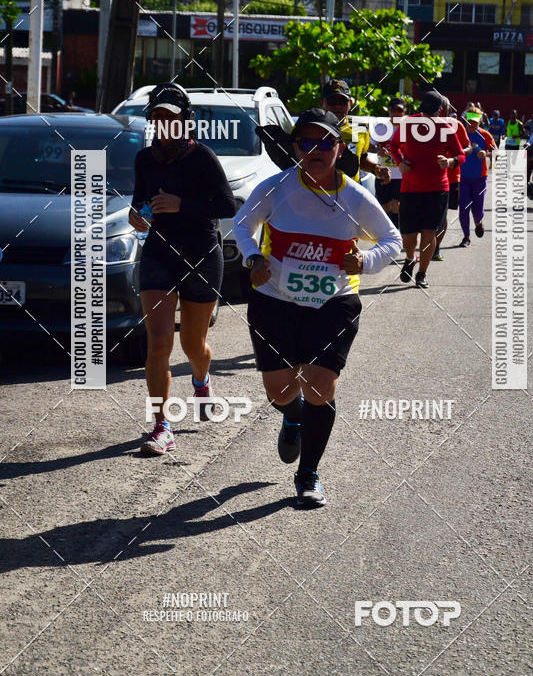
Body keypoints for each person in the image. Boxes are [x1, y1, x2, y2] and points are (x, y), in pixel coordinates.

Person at [233, 108, 402, 507]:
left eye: (326, 142)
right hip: (274, 300)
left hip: (333, 303)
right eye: (307, 142)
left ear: (339, 148)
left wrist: (366, 261)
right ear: (295, 148)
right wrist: (254, 259)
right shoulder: (276, 188)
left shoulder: (355, 197)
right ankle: (292, 416)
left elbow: (391, 240)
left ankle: (308, 474)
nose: (316, 150)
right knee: (280, 390)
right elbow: (241, 224)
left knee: (320, 386)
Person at [129, 82, 237, 455]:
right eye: (157, 117)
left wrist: (181, 204)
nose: (164, 124)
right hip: (159, 254)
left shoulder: (202, 157)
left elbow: (227, 206)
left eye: (171, 118)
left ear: (185, 121)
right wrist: (137, 216)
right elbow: (139, 201)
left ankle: (202, 380)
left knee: (194, 345)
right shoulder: (144, 159)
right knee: (158, 343)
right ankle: (161, 426)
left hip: (201, 254)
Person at [389, 90, 465, 288]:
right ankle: (409, 258)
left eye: (432, 113)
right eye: (426, 113)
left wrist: (449, 161)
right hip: (410, 187)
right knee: (408, 235)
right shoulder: (408, 124)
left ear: (439, 111)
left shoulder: (446, 128)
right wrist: (400, 163)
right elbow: (393, 145)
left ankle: (422, 273)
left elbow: (461, 155)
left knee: (429, 232)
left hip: (437, 188)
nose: (428, 117)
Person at [321, 78, 391, 186]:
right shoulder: (312, 128)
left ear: (350, 103)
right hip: (318, 193)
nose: (337, 106)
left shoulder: (359, 127)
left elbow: (360, 158)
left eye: (342, 101)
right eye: (332, 101)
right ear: (322, 103)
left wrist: (375, 168)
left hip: (351, 193)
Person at [433, 114, 472, 260]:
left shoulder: (456, 125)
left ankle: (435, 248)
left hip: (451, 178)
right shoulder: (422, 124)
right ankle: (429, 245)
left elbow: (467, 148)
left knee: (442, 214)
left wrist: (454, 159)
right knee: (430, 213)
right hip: (427, 176)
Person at [458, 109, 496, 246]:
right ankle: (466, 237)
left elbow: (496, 153)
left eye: (474, 122)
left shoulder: (485, 135)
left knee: (477, 208)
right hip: (463, 177)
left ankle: (478, 222)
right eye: (469, 122)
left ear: (480, 121)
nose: (471, 125)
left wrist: (485, 154)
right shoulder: (461, 134)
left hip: (480, 178)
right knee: (463, 207)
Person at [373, 96, 405, 231]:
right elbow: (369, 146)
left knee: (397, 205)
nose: (396, 113)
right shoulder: (381, 128)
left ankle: (396, 234)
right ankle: (385, 233)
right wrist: (378, 150)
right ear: (389, 111)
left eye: (399, 110)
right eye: (393, 110)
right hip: (383, 173)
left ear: (404, 112)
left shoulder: (408, 128)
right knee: (384, 207)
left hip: (400, 175)